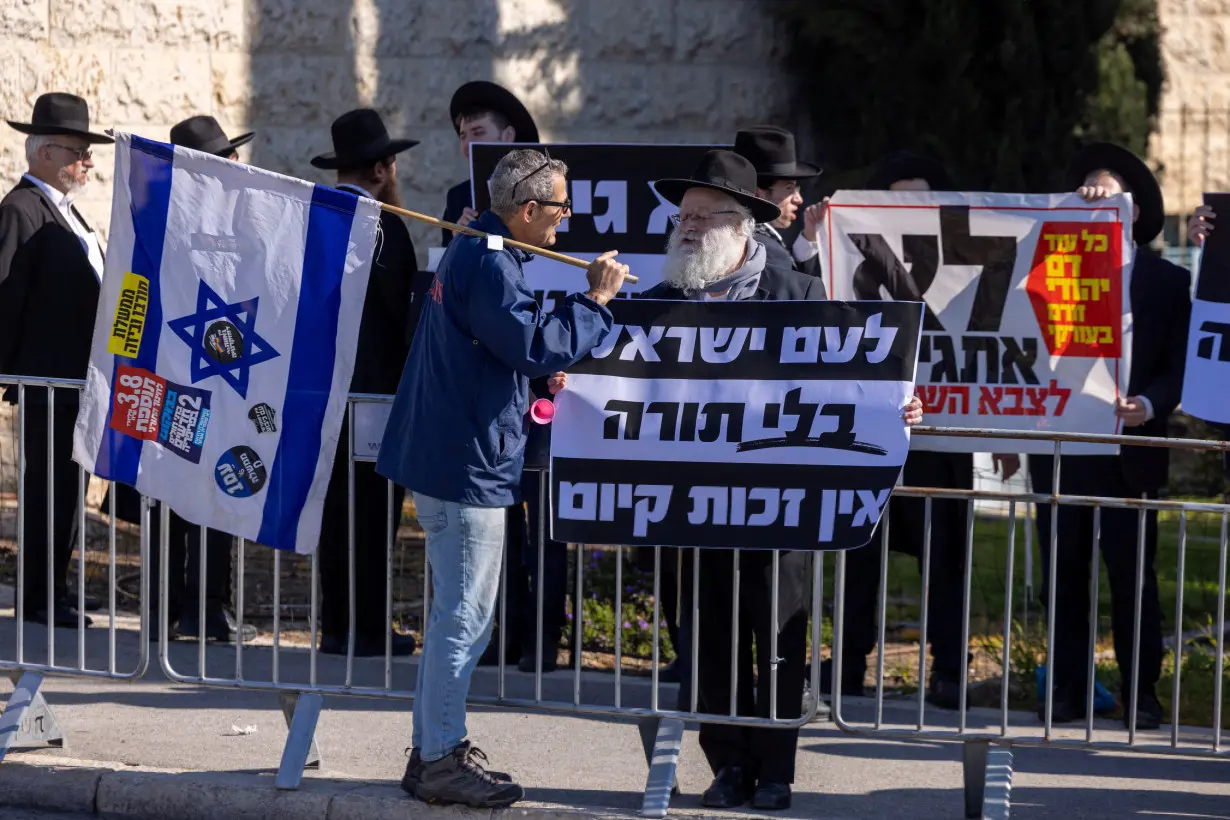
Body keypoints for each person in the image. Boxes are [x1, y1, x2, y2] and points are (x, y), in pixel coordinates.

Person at [555, 150, 921, 811]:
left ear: (742, 225)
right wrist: (575, 385)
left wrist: (897, 406)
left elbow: (853, 382)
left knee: (780, 638)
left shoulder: (800, 295)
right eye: (683, 215)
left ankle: (775, 769)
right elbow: (616, 385)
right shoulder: (657, 304)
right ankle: (726, 766)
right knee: (707, 643)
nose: (686, 226)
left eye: (703, 215)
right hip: (689, 512)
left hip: (779, 506)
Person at [378, 148, 629, 807]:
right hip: (465, 467)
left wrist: (533, 364)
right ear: (526, 209)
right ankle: (438, 756)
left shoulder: (483, 250)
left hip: (457, 458)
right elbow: (528, 343)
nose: (565, 220)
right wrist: (597, 302)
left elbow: (504, 348)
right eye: (559, 208)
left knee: (456, 615)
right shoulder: (488, 258)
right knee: (465, 617)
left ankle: (434, 747)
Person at [821, 151, 1003, 710]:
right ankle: (848, 667)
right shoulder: (853, 255)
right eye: (898, 199)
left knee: (946, 562)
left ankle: (949, 671)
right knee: (859, 556)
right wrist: (820, 234)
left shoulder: (964, 267)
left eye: (922, 200)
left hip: (941, 443)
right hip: (870, 436)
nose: (910, 210)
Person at [1027, 142, 1191, 730]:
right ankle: (1067, 691)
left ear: (1136, 212)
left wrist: (1147, 404)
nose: (1096, 203)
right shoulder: (1048, 272)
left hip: (1131, 451)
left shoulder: (1168, 282)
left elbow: (1180, 363)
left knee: (1134, 579)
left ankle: (1141, 694)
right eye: (1086, 193)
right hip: (1064, 450)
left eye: (1109, 195)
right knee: (1063, 576)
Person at [104, 115, 263, 643]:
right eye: (230, 160)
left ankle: (193, 607)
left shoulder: (216, 222)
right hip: (179, 379)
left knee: (202, 493)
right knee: (179, 493)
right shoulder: (167, 220)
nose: (239, 168)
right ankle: (176, 607)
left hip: (204, 378)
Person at [310, 109, 423, 657]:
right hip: (374, 393)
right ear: (382, 168)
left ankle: (337, 625)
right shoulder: (384, 226)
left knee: (335, 511)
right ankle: (369, 628)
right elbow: (400, 312)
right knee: (373, 513)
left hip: (322, 391)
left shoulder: (314, 219)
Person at [0, 93, 111, 628]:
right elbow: (5, 295)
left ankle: (56, 590)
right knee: (47, 491)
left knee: (67, 492)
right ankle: (40, 597)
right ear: (44, 153)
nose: (87, 161)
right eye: (78, 151)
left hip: (75, 383)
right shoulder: (20, 210)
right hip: (46, 381)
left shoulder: (67, 212)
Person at [440, 81, 538, 245]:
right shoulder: (457, 197)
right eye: (463, 136)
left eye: (478, 132)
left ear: (507, 136)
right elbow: (443, 264)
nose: (468, 143)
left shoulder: (537, 190)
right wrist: (458, 241)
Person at [733, 125, 825, 288]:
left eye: (797, 189)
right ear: (757, 194)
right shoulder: (764, 250)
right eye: (789, 188)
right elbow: (796, 297)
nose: (799, 199)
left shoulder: (736, 236)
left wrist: (809, 237)